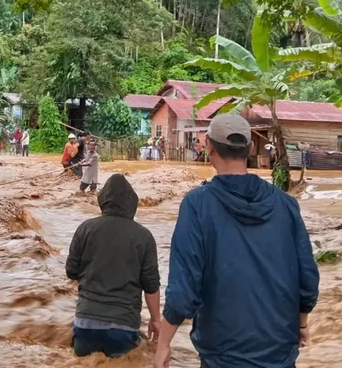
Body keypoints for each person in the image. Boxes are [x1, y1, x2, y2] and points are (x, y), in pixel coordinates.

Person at [154, 114, 320, 368]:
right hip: (280, 352)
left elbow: (183, 290)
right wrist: (301, 323)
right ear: (251, 148)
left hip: (222, 355)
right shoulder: (286, 205)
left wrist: (164, 343)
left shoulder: (197, 205)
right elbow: (307, 277)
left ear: (209, 146)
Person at [66, 174, 161, 358]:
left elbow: (71, 271)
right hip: (123, 327)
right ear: (132, 203)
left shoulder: (85, 229)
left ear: (102, 201)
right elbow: (151, 286)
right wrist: (156, 321)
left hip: (85, 324)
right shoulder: (144, 237)